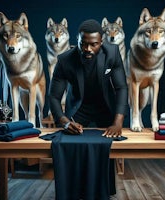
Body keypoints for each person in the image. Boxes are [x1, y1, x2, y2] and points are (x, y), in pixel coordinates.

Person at [49, 19, 128, 199]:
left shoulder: (112, 53)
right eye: (83, 44)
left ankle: (104, 190)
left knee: (106, 147)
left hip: (104, 105)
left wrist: (118, 122)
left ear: (101, 42)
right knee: (72, 147)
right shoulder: (65, 60)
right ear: (78, 40)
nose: (88, 49)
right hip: (79, 107)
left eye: (93, 45)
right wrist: (64, 121)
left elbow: (121, 87)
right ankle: (74, 191)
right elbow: (54, 96)